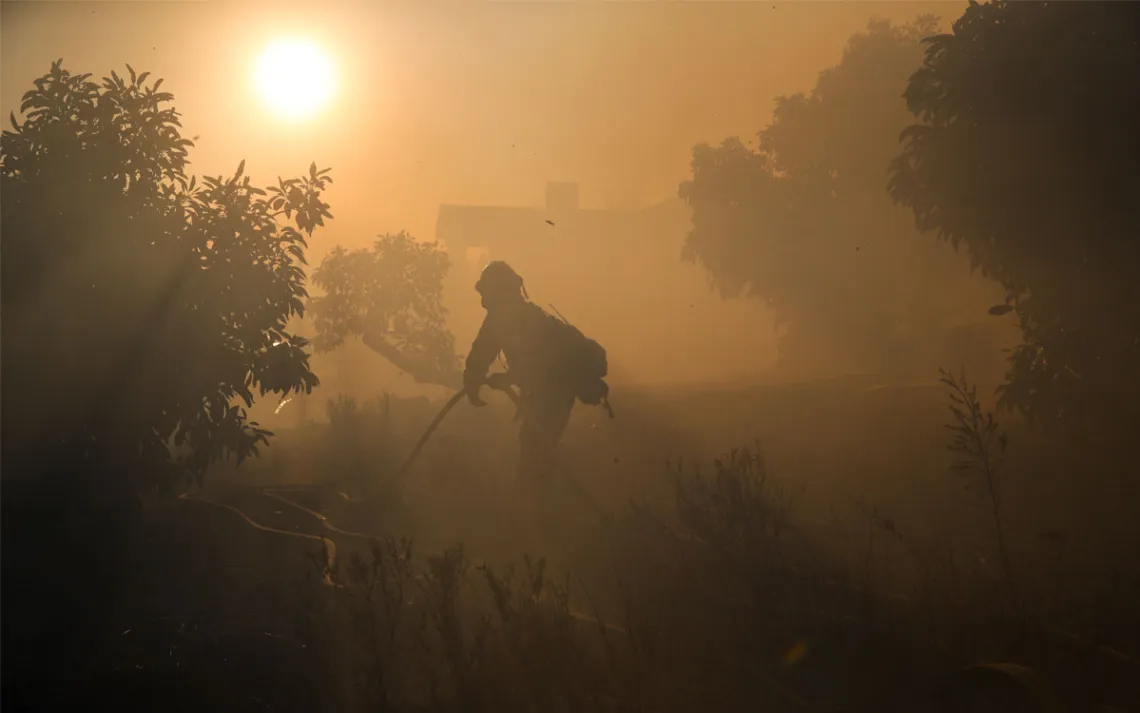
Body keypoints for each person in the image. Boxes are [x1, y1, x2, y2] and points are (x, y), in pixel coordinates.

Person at [462, 260, 609, 479]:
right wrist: (473, 379)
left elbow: (541, 363)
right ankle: (543, 493)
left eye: (486, 292)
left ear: (499, 291)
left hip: (553, 392)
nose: (484, 301)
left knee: (535, 450)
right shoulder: (509, 317)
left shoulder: (519, 320)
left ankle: (542, 500)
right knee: (537, 447)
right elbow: (482, 352)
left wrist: (507, 378)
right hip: (546, 392)